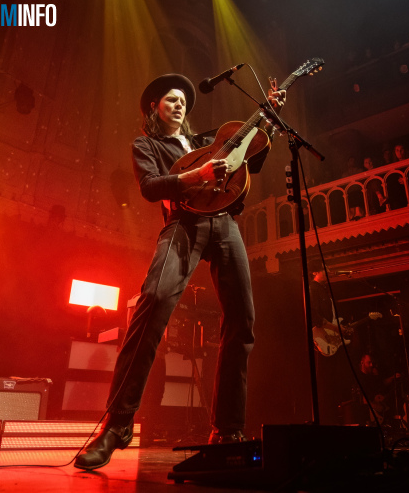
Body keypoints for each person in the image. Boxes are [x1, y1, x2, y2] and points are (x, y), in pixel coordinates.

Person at [75, 73, 286, 470]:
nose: (179, 104)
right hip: (181, 224)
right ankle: (117, 424)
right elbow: (151, 187)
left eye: (183, 101)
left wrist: (269, 115)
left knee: (242, 319)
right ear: (154, 107)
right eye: (170, 99)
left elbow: (249, 156)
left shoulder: (207, 141)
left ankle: (227, 428)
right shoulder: (148, 145)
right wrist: (195, 177)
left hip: (225, 223)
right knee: (153, 300)